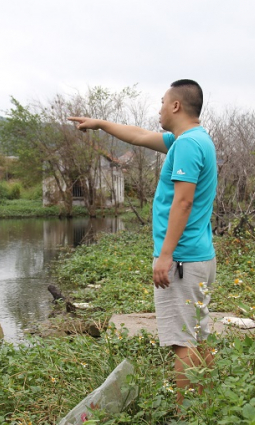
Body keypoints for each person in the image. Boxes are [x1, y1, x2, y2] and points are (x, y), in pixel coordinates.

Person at [68, 79, 217, 402]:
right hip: (197, 256)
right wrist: (100, 124)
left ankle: (186, 415)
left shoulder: (188, 145)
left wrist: (165, 255)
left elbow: (183, 202)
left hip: (181, 259)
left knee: (183, 343)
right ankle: (206, 408)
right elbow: (138, 135)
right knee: (196, 338)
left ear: (176, 106)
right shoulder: (191, 140)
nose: (160, 108)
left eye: (163, 102)